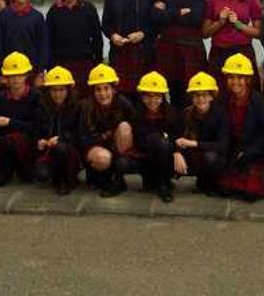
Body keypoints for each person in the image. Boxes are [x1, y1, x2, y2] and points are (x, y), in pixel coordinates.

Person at [152, 0, 208, 108]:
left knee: (192, 91)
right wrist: (179, 12)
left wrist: (168, 12)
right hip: (168, 47)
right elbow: (156, 16)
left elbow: (196, 17)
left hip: (191, 47)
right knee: (169, 90)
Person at [216, 53, 264, 201]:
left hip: (254, 151)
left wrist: (250, 151)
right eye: (231, 77)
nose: (235, 82)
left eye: (240, 78)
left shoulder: (258, 101)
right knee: (223, 190)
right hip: (233, 150)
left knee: (251, 194)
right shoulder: (223, 99)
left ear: (248, 80)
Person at [102, 0, 157, 101]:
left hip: (144, 54)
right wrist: (113, 36)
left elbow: (157, 24)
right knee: (120, 98)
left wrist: (143, 34)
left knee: (144, 96)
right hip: (120, 53)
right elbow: (105, 24)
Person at [203, 0, 263, 88]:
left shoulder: (251, 0)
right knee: (218, 94)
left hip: (243, 52)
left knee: (249, 93)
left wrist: (238, 24)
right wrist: (220, 22)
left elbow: (259, 33)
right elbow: (205, 33)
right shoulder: (212, 0)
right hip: (219, 53)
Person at [79, 63, 136, 197]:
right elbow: (83, 139)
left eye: (106, 88)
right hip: (96, 149)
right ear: (93, 91)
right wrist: (103, 137)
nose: (103, 93)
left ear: (113, 89)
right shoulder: (86, 107)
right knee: (103, 158)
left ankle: (119, 178)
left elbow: (135, 128)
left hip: (117, 148)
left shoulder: (124, 104)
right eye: (98, 89)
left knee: (125, 127)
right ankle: (98, 174)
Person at [46, 0, 102, 98]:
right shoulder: (53, 11)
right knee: (64, 101)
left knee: (84, 101)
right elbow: (48, 41)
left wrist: (97, 63)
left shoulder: (89, 9)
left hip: (85, 63)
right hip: (61, 63)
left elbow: (97, 38)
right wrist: (50, 67)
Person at [173, 72, 229, 196]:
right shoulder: (186, 114)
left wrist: (193, 143)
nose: (200, 99)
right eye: (196, 95)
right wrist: (176, 152)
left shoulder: (221, 114)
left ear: (212, 97)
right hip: (194, 156)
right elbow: (176, 136)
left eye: (205, 95)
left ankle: (210, 184)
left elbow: (222, 145)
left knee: (210, 157)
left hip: (216, 159)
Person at [0, 52, 40, 186]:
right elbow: (0, 130)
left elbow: (37, 127)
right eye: (12, 76)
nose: (16, 79)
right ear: (6, 78)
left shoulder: (35, 96)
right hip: (8, 143)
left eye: (20, 75)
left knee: (29, 178)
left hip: (30, 143)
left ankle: (24, 167)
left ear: (26, 75)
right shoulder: (0, 98)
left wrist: (11, 122)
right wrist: (18, 127)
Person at [0, 0, 50, 82]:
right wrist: (0, 71)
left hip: (31, 71)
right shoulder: (2, 15)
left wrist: (40, 72)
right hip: (8, 72)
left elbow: (43, 47)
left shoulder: (37, 17)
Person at [131, 71, 181, 203]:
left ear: (163, 96)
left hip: (167, 156)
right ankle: (149, 180)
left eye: (157, 96)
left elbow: (177, 136)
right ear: (142, 96)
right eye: (148, 96)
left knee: (163, 144)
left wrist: (176, 151)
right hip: (144, 156)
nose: (152, 100)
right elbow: (138, 139)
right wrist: (158, 137)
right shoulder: (136, 114)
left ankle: (163, 183)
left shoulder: (172, 113)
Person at [35, 66, 84, 195]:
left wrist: (61, 138)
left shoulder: (78, 106)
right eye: (54, 90)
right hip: (49, 151)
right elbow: (36, 129)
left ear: (68, 90)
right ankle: (57, 176)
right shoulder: (42, 106)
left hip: (72, 151)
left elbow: (81, 134)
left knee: (61, 148)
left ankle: (68, 179)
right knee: (41, 174)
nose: (58, 94)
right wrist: (39, 140)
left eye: (62, 90)